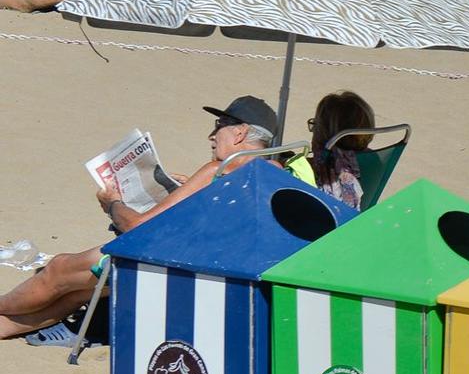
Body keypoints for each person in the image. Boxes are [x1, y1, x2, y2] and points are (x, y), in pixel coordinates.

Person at [0, 95, 281, 343]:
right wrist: (186, 191)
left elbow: (136, 227)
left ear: (240, 132)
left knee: (60, 268)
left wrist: (113, 205)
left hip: (165, 270)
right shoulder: (275, 170)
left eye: (219, 125)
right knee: (76, 294)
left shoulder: (219, 170)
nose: (211, 135)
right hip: (220, 275)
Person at [286, 91, 373, 209]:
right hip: (356, 220)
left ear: (321, 134)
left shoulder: (301, 172)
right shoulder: (373, 159)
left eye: (315, 125)